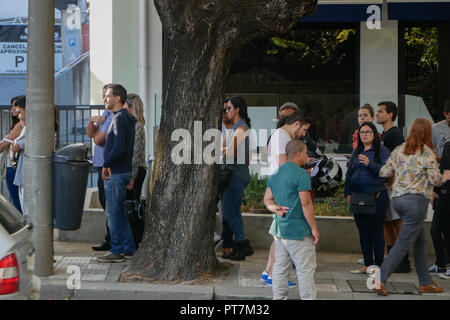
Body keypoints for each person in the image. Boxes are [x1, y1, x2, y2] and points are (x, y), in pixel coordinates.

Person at [375, 118, 450, 296]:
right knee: (403, 243)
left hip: (397, 201)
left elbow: (384, 172)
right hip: (415, 204)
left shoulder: (400, 149)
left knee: (419, 241)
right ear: (427, 133)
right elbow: (435, 179)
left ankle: (425, 282)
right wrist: (446, 175)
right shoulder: (426, 153)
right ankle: (380, 279)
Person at [260, 108, 311, 287]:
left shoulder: (279, 135)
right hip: (285, 189)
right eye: (304, 130)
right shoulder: (283, 137)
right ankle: (274, 274)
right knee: (281, 235)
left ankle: (269, 271)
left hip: (279, 186)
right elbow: (284, 163)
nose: (304, 134)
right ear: (296, 124)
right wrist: (301, 172)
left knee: (278, 233)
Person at [263, 140, 319, 300]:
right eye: (306, 152)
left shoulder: (276, 173)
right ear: (298, 154)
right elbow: (306, 203)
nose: (307, 156)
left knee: (280, 267)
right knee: (305, 269)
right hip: (299, 230)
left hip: (280, 230)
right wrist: (314, 228)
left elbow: (267, 200)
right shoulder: (302, 175)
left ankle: (279, 298)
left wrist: (276, 208)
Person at [96, 84, 137, 263]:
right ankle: (128, 248)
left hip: (117, 172)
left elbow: (119, 147)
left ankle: (117, 250)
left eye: (107, 96)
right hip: (123, 171)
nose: (104, 99)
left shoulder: (119, 119)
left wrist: (106, 164)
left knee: (112, 213)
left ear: (117, 98)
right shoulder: (126, 118)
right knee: (118, 211)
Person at [345, 122, 389, 273]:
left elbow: (386, 171)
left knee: (376, 232)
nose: (364, 134)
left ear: (374, 134)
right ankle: (367, 264)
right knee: (363, 232)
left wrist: (370, 164)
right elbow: (349, 174)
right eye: (362, 132)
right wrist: (348, 193)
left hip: (377, 196)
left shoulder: (381, 151)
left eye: (368, 132)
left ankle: (378, 266)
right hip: (358, 197)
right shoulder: (356, 151)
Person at [376, 101, 411, 273]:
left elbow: (399, 160)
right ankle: (392, 257)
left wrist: (393, 182)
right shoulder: (384, 134)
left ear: (390, 115)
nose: (377, 114)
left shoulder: (395, 135)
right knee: (387, 222)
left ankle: (404, 260)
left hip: (393, 186)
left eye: (381, 111)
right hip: (385, 184)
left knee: (396, 222)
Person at [220, 96, 254, 261]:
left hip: (235, 175)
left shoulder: (241, 129)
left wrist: (224, 149)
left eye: (229, 108)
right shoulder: (235, 128)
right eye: (225, 109)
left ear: (237, 109)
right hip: (234, 174)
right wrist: (224, 148)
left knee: (227, 211)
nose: (226, 111)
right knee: (233, 211)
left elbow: (229, 151)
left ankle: (243, 243)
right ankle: (240, 246)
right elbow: (224, 148)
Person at [88, 84, 114, 252]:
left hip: (108, 166)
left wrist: (97, 133)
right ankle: (109, 237)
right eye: (103, 95)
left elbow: (98, 140)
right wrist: (92, 120)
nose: (104, 99)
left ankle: (111, 239)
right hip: (100, 164)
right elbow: (91, 134)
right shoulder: (105, 113)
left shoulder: (113, 117)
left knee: (110, 204)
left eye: (107, 96)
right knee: (105, 203)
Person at [123, 93, 147, 249]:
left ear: (131, 107)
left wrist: (131, 177)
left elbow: (135, 154)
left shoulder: (137, 127)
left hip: (136, 170)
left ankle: (135, 241)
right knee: (131, 205)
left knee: (133, 207)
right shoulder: (134, 126)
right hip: (135, 169)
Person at [429, 100, 450, 275]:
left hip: (444, 184)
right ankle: (442, 263)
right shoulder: (437, 129)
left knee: (438, 227)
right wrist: (435, 189)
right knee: (439, 227)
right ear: (445, 114)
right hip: (443, 185)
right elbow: (433, 156)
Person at [0, 96, 23, 213]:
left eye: (15, 106)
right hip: (13, 166)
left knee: (18, 202)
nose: (13, 109)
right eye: (12, 106)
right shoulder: (18, 124)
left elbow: (4, 144)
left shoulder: (20, 125)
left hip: (14, 167)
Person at [11, 96, 26, 215]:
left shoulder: (27, 128)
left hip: (26, 176)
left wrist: (15, 140)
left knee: (25, 210)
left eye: (20, 112)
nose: (19, 116)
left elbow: (15, 147)